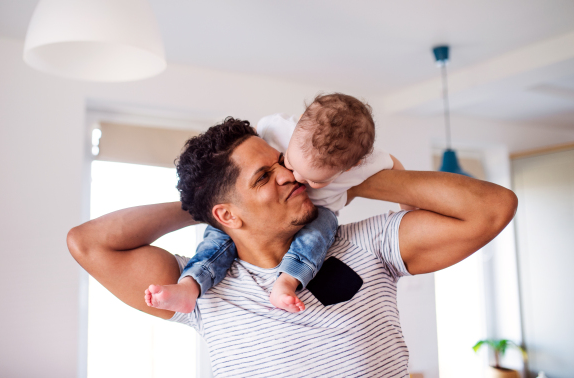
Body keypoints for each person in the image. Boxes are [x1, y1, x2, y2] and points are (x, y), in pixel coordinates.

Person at [67, 118, 517, 377]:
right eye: (264, 177)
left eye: (281, 163)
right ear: (226, 215)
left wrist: (343, 178)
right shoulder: (199, 290)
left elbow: (494, 207)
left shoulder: (369, 243)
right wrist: (201, 205)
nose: (288, 175)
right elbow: (87, 243)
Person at [145, 93, 412, 314]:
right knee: (214, 241)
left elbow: (398, 173)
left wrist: (372, 193)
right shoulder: (277, 129)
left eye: (314, 180)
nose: (293, 177)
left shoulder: (363, 169)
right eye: (283, 164)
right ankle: (190, 286)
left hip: (323, 214)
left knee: (319, 230)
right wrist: (204, 205)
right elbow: (101, 238)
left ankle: (289, 278)